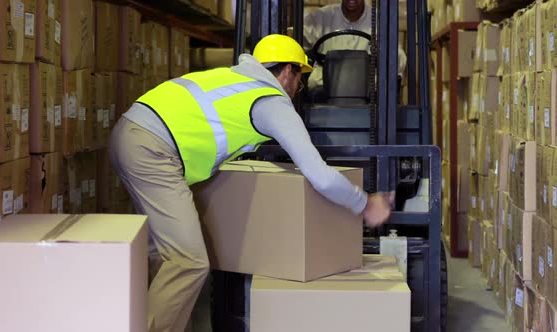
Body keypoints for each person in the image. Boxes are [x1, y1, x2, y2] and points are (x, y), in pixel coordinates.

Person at [109, 34, 393, 332]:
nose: (298, 88)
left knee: (164, 257)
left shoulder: (230, 80)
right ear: (287, 71)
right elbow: (320, 176)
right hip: (152, 150)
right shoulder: (270, 101)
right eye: (300, 77)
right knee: (189, 261)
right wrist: (364, 203)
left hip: (131, 135)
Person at [303, 0, 407, 95]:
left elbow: (399, 61)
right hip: (323, 90)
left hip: (367, 93)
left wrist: (383, 49)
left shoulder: (380, 20)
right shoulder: (320, 18)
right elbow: (298, 41)